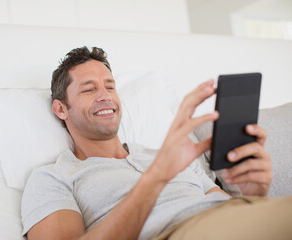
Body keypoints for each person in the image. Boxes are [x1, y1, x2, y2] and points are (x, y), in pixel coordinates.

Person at [21, 46, 292, 240]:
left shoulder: (168, 155)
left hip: (233, 220)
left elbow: (238, 216)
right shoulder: (52, 177)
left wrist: (254, 194)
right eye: (89, 89)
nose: (105, 96)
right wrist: (156, 179)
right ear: (60, 109)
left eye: (110, 86)